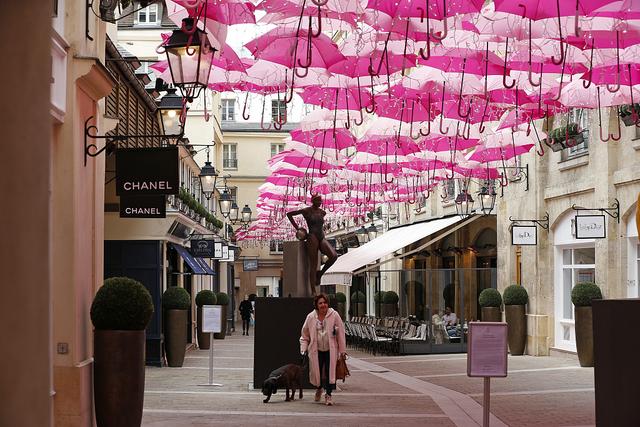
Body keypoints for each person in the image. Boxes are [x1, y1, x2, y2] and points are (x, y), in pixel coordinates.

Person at [300, 293, 346, 406]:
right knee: (317, 372)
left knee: (330, 373)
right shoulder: (310, 317)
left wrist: (342, 351)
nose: (323, 305)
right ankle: (319, 388)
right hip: (316, 350)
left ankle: (328, 395)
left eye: (325, 302)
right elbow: (304, 335)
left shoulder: (334, 315)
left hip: (331, 350)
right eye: (320, 303)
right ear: (316, 305)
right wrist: (303, 349)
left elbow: (341, 334)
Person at [287, 195, 338, 296]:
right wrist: (297, 228)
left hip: (321, 237)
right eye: (318, 200)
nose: (320, 202)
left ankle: (320, 273)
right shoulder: (307, 211)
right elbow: (289, 214)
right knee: (313, 264)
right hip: (312, 236)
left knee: (334, 256)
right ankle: (313, 290)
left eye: (321, 201)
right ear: (313, 201)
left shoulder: (322, 212)